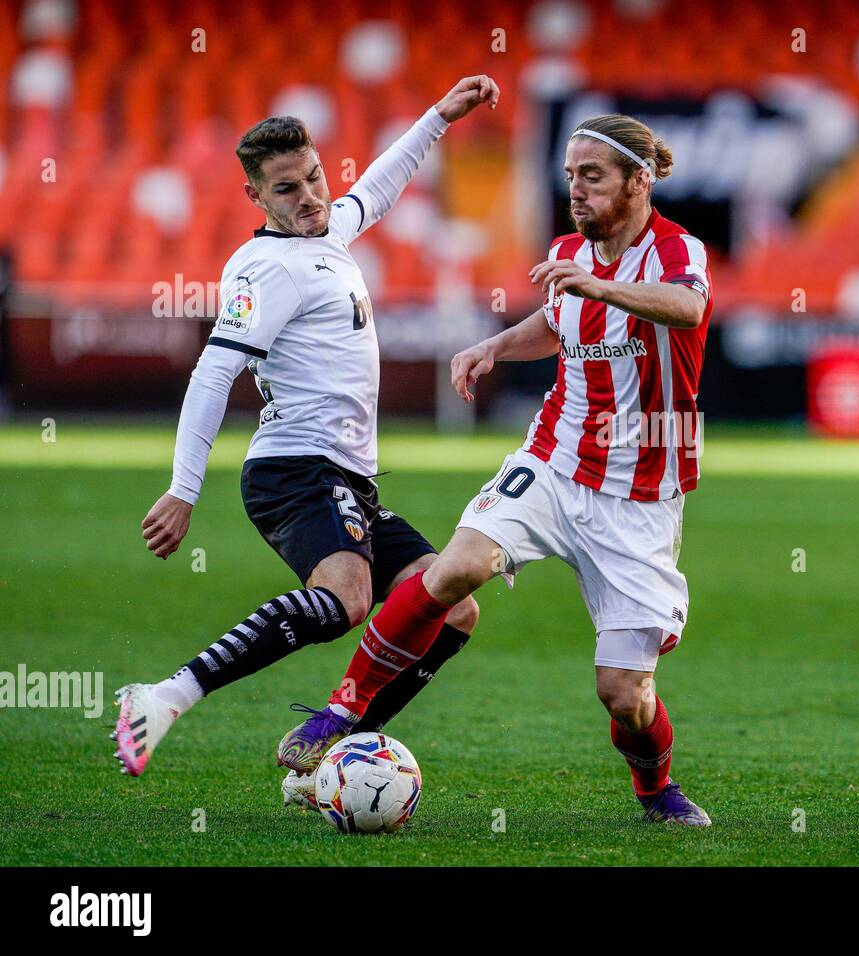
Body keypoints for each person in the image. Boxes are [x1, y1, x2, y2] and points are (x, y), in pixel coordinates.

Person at [279, 113, 714, 825]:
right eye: (570, 174)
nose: (575, 189)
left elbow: (687, 307)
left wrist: (599, 288)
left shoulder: (674, 250)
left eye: (593, 176)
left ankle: (654, 789)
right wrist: (495, 347)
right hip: (553, 459)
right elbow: (557, 320)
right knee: (454, 571)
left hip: (639, 493)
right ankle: (341, 711)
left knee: (625, 696)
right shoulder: (569, 251)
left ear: (640, 180)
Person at [113, 77, 501, 800]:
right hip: (294, 467)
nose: (310, 197)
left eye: (315, 178)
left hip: (344, 476)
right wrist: (182, 489)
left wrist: (439, 116)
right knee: (348, 598)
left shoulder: (326, 234)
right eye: (287, 189)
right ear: (257, 199)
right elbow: (213, 371)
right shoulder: (268, 268)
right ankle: (165, 696)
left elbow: (377, 191)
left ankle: (333, 759)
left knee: (453, 609)